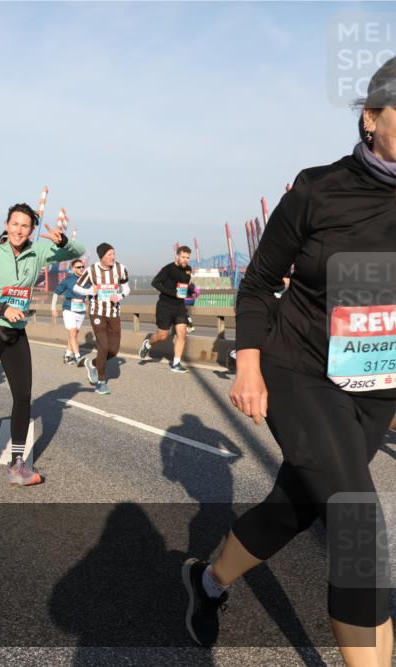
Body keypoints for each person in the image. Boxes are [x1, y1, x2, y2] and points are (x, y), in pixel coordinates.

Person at [184, 58, 396, 666]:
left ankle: (206, 583)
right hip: (298, 368)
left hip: (373, 386)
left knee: (297, 507)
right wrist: (247, 365)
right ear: (371, 117)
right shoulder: (317, 188)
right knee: (359, 527)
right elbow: (256, 284)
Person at [0, 203, 85, 480]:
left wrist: (64, 241)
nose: (19, 230)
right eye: (14, 224)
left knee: (22, 395)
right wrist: (1, 308)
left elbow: (78, 252)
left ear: (32, 230)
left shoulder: (38, 252)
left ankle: (17, 464)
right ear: (6, 225)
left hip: (16, 334)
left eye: (25, 226)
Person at [74, 243, 130, 395]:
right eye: (110, 254)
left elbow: (126, 288)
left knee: (113, 350)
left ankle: (92, 363)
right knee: (103, 347)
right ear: (102, 257)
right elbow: (77, 287)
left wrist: (120, 295)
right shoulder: (91, 271)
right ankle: (101, 381)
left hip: (114, 313)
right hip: (97, 312)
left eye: (114, 253)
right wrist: (89, 290)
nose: (113, 257)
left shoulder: (120, 269)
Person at [138, 245, 193, 373]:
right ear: (177, 256)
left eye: (188, 258)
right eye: (183, 257)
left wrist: (191, 291)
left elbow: (184, 286)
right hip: (165, 306)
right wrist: (173, 293)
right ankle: (148, 343)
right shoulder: (168, 269)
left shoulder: (188, 270)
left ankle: (176, 363)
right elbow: (155, 283)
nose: (185, 260)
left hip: (179, 306)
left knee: (182, 333)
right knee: (163, 336)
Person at [51, 259, 88, 365]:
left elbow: (92, 294)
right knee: (72, 332)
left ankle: (67, 355)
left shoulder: (87, 280)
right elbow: (56, 293)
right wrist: (53, 308)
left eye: (82, 267)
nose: (81, 269)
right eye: (78, 267)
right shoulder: (67, 280)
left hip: (81, 310)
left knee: (74, 334)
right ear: (73, 269)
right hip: (69, 309)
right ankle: (78, 356)